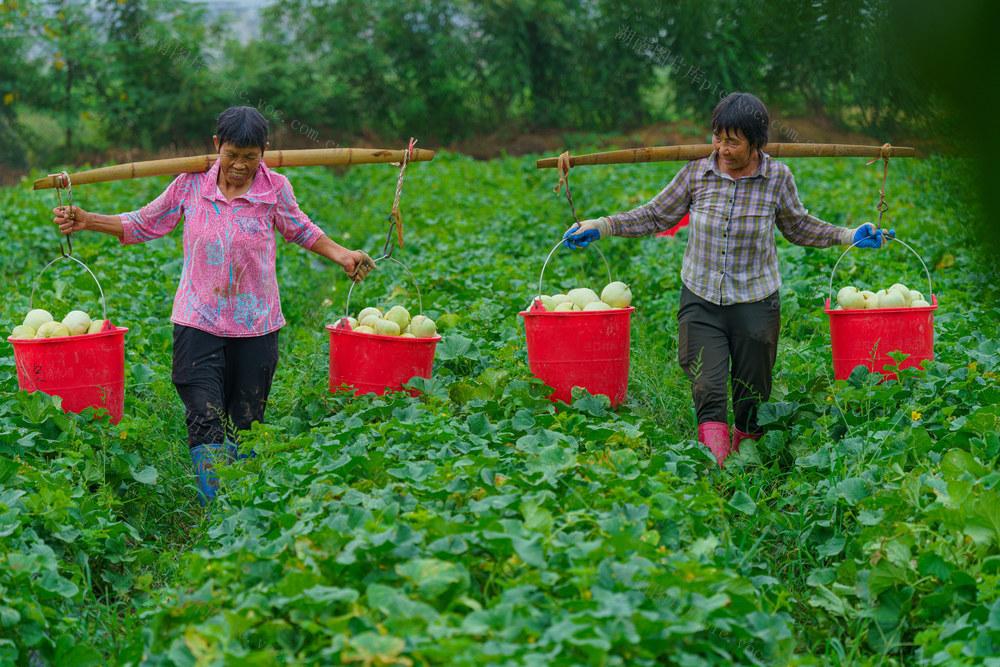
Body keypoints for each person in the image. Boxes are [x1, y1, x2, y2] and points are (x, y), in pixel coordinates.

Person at [52, 106, 377, 504]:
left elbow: (302, 229)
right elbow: (145, 221)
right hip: (198, 319)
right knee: (203, 413)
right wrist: (88, 220)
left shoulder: (274, 188)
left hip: (255, 324)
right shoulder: (190, 185)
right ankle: (215, 509)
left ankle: (242, 503)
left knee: (246, 420)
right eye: (232, 155)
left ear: (265, 152)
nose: (240, 165)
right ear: (216, 146)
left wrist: (343, 255)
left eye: (250, 157)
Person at [562, 92, 894, 468]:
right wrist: (601, 226)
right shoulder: (696, 173)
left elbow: (799, 227)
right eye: (718, 137)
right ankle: (717, 467)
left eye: (733, 141)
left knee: (752, 392)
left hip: (756, 301)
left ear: (756, 143)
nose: (722, 148)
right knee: (708, 383)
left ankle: (748, 457)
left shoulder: (776, 178)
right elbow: (655, 215)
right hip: (701, 297)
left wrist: (850, 235)